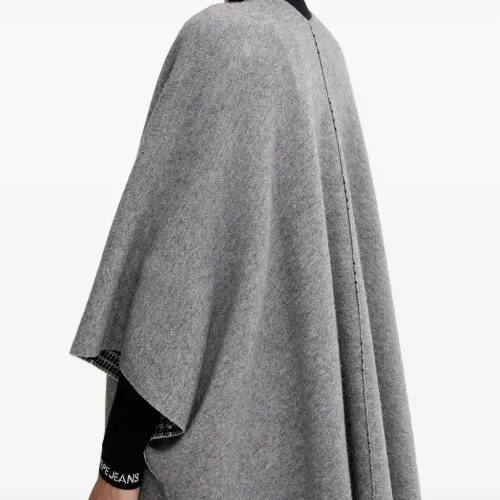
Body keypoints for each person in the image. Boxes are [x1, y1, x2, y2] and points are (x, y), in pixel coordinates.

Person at [70, 0, 421, 498]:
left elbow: (177, 276)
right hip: (307, 450)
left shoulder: (225, 42)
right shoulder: (322, 48)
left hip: (228, 458)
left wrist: (117, 468)